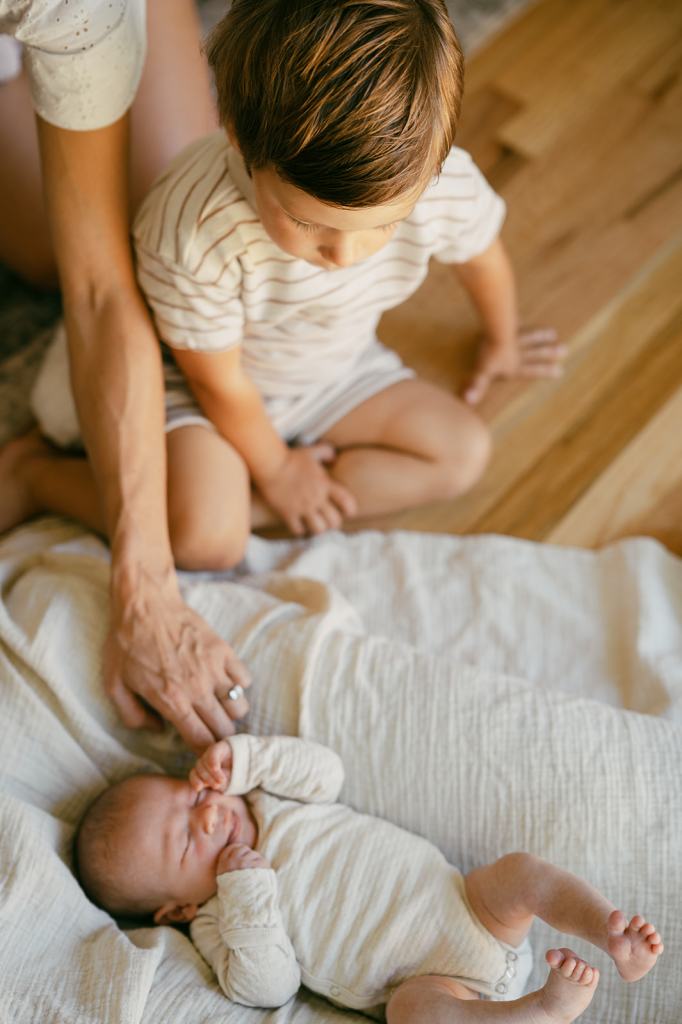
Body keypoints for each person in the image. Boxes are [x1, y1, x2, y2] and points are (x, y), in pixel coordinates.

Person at [10, 0, 565, 566]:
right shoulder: (192, 229)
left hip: (331, 370)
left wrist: (503, 338)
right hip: (201, 386)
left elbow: (481, 257)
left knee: (462, 453)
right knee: (204, 541)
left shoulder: (437, 182)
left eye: (384, 225)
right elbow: (218, 382)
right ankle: (38, 475)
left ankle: (262, 504)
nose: (344, 254)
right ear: (239, 139)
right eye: (306, 222)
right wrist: (275, 469)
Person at [0, 1, 251, 751]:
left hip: (74, 16)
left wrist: (145, 590)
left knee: (165, 214)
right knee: (45, 246)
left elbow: (101, 288)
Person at [74, 734, 664, 1022]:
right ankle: (536, 1011)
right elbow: (267, 988)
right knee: (411, 1014)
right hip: (436, 987)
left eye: (189, 796)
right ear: (174, 910)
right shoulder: (215, 919)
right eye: (185, 841)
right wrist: (248, 896)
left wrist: (246, 760)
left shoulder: (266, 799)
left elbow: (326, 772)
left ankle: (607, 931)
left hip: (470, 906)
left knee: (521, 873)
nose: (207, 814)